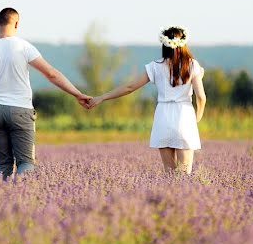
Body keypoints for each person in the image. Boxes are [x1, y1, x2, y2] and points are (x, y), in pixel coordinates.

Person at [0, 7, 91, 178]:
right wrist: (77, 94)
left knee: (3, 164)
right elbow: (52, 74)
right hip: (20, 110)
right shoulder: (24, 47)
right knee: (25, 162)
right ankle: (23, 200)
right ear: (17, 24)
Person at [86, 26, 206, 174]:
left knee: (169, 174)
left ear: (164, 44)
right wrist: (198, 117)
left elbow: (129, 87)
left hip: (163, 116)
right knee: (184, 174)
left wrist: (102, 97)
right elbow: (201, 96)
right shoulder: (193, 65)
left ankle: (168, 197)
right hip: (184, 115)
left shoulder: (155, 66)